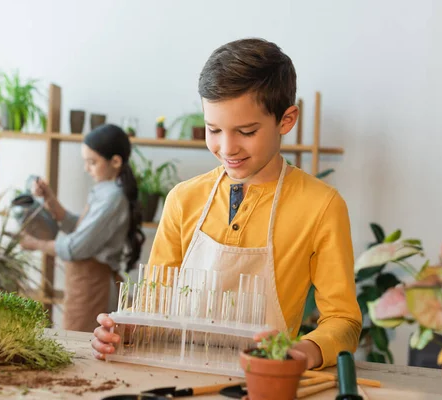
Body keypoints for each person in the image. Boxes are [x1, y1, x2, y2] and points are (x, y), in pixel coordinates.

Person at [92, 38, 362, 370]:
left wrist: (306, 351)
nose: (227, 147)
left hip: (263, 378)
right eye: (214, 129)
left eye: (246, 131)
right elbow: (151, 304)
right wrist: (125, 328)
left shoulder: (321, 206)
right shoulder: (183, 199)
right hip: (171, 371)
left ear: (286, 120)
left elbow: (344, 320)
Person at [20, 124, 145, 332]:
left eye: (92, 162)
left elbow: (76, 247)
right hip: (84, 286)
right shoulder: (106, 190)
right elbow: (80, 229)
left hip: (94, 290)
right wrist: (50, 199)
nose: (87, 169)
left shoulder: (113, 198)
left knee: (83, 349)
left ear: (115, 161)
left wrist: (35, 244)